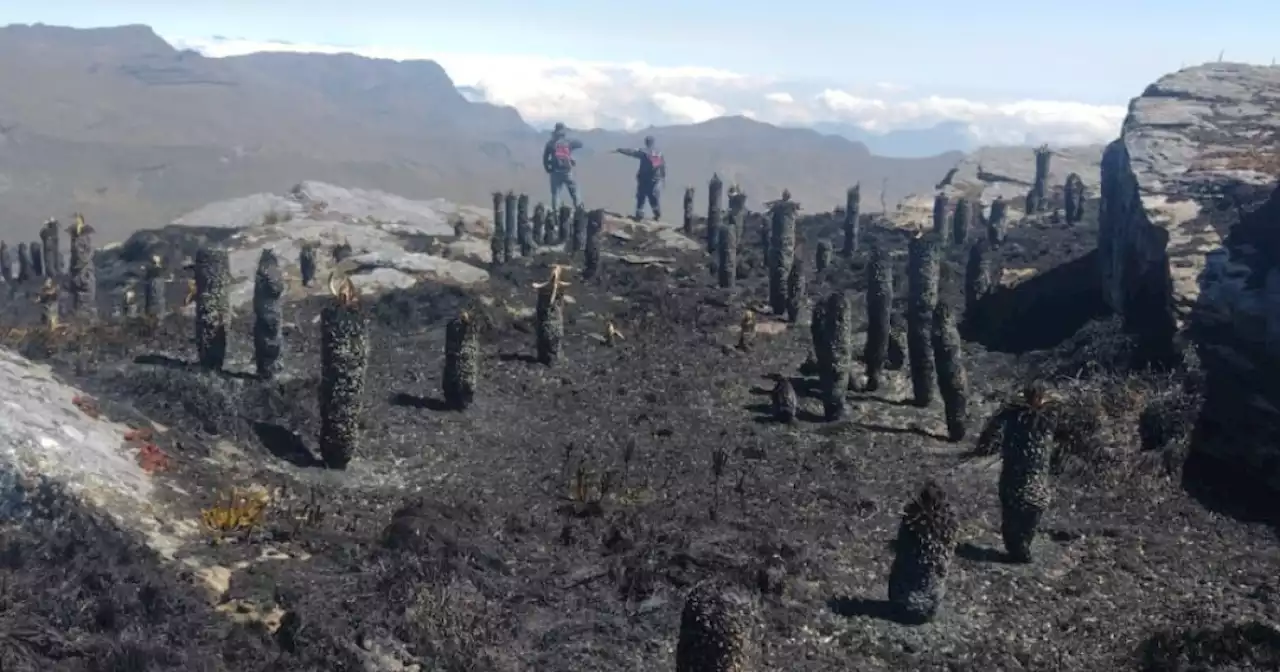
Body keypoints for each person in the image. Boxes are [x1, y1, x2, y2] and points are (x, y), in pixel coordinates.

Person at [613, 135, 666, 220]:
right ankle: (657, 215)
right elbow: (662, 166)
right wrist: (663, 178)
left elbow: (631, 152)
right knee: (653, 197)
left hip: (643, 179)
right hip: (654, 180)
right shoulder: (659, 153)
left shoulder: (644, 152)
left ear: (646, 142)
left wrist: (620, 150)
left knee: (641, 197)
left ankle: (639, 215)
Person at [543, 122, 583, 211]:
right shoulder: (568, 142)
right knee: (574, 191)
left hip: (555, 172)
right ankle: (579, 208)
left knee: (555, 194)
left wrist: (548, 169)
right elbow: (580, 144)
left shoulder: (550, 144)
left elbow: (545, 158)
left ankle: (555, 213)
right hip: (567, 171)